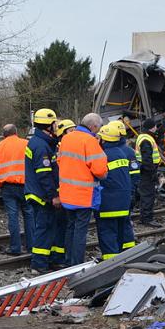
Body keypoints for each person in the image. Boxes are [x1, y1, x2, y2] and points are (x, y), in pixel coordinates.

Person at [58, 113, 108, 266]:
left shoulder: (67, 138)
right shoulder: (90, 141)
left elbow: (60, 161)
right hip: (83, 195)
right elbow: (100, 170)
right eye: (98, 128)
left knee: (70, 227)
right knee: (80, 231)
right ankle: (76, 264)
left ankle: (68, 261)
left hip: (67, 193)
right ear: (93, 126)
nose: (98, 131)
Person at [24, 108, 65, 273]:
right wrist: (54, 195)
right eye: (54, 123)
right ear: (49, 125)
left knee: (47, 228)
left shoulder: (40, 142)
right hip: (42, 195)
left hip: (38, 193)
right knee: (44, 229)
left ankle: (48, 261)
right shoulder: (41, 146)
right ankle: (39, 264)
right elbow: (44, 175)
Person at [0, 124, 33, 255]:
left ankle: (15, 248)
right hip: (26, 185)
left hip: (8, 187)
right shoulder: (27, 144)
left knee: (12, 217)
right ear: (16, 132)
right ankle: (31, 246)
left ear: (4, 134)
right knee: (29, 215)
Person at [96, 121, 135, 260]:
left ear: (104, 139)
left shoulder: (102, 155)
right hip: (123, 200)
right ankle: (123, 257)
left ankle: (110, 262)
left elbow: (99, 176)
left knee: (107, 232)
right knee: (120, 231)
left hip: (108, 201)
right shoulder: (122, 153)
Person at [135, 118, 161, 228]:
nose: (156, 128)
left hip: (144, 169)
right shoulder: (146, 139)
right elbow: (147, 158)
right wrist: (152, 173)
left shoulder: (143, 137)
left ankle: (143, 217)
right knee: (148, 194)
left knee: (145, 194)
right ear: (152, 127)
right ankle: (147, 218)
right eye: (155, 126)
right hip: (147, 170)